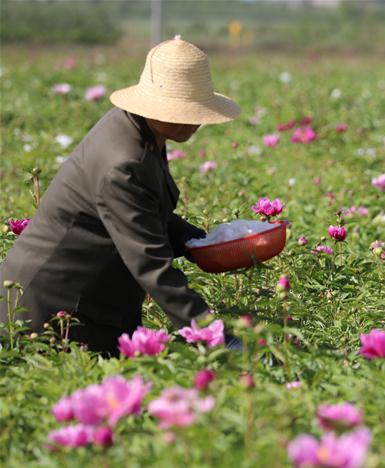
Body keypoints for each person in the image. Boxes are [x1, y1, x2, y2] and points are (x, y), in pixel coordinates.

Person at [0, 37, 240, 354]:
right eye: (182, 111)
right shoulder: (124, 163)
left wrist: (201, 243)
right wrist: (220, 338)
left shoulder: (138, 127)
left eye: (196, 110)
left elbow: (144, 212)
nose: (192, 122)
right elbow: (152, 267)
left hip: (77, 303)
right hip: (52, 313)